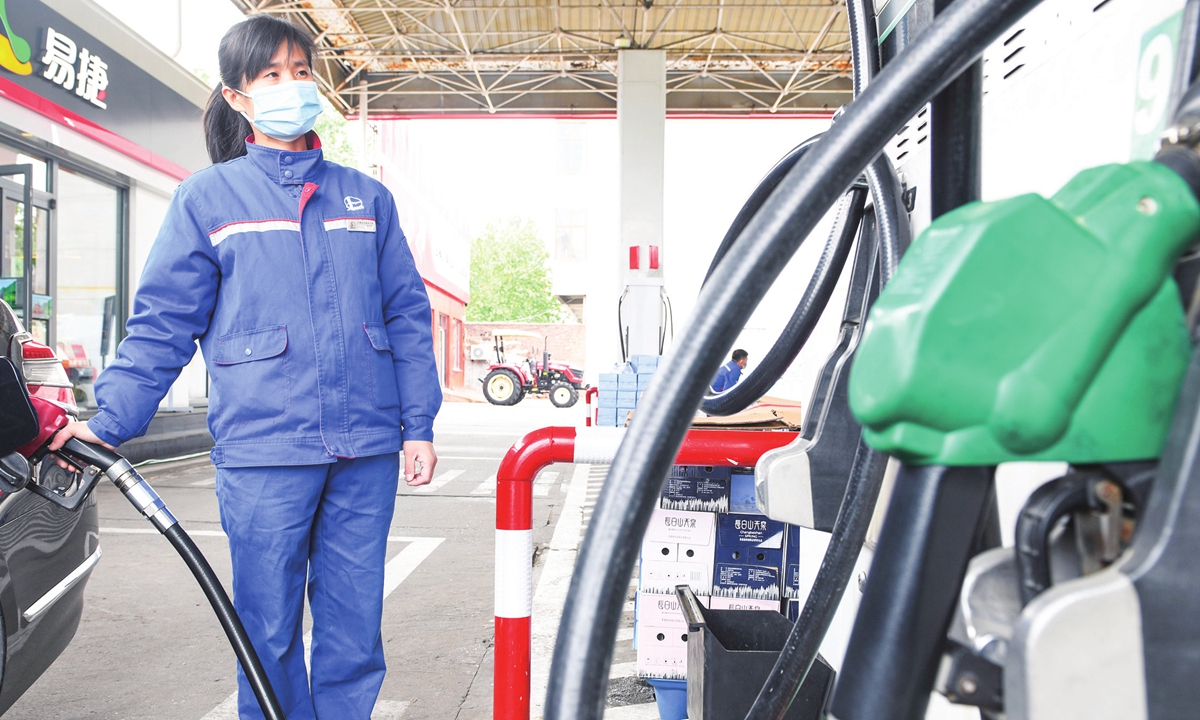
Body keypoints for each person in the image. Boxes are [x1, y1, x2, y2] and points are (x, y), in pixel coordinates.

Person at [48, 15, 441, 720]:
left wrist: (420, 424)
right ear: (237, 97)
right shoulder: (210, 199)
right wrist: (110, 422)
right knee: (266, 628)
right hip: (264, 447)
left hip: (367, 447)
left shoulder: (366, 199)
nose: (291, 87)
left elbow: (407, 318)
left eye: (300, 71)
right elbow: (165, 323)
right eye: (271, 76)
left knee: (354, 630)